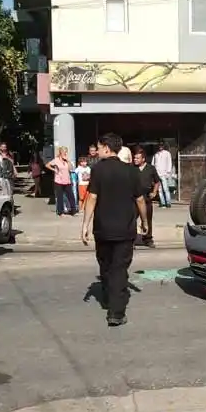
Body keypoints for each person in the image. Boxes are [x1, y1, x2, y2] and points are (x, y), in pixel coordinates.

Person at [81, 133, 149, 326]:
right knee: (119, 269)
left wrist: (85, 224)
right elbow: (140, 199)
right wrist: (144, 222)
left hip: (102, 228)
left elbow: (92, 197)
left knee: (106, 265)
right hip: (125, 229)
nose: (97, 150)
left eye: (99, 146)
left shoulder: (98, 170)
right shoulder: (131, 171)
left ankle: (109, 299)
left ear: (107, 148)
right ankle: (116, 313)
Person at [133, 148, 161, 248]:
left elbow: (157, 181)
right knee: (132, 219)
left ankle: (148, 239)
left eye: (137, 158)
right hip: (135, 198)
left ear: (143, 159)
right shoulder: (132, 168)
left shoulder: (151, 168)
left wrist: (154, 192)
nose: (135, 159)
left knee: (147, 219)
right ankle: (132, 240)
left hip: (146, 197)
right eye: (134, 158)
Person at [47, 146, 77, 216]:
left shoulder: (67, 160)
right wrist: (54, 170)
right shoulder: (56, 160)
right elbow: (47, 165)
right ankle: (60, 212)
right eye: (64, 152)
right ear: (61, 152)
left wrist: (68, 160)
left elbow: (71, 168)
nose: (65, 153)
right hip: (58, 181)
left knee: (71, 196)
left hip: (67, 181)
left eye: (66, 152)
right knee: (60, 197)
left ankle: (73, 211)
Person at [152, 142, 174, 208]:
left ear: (163, 146)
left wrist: (168, 172)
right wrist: (153, 173)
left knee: (165, 189)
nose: (160, 147)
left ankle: (168, 202)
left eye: (161, 146)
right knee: (160, 190)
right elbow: (153, 164)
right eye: (159, 146)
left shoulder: (167, 153)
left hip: (164, 173)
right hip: (157, 174)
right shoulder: (156, 154)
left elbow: (169, 162)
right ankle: (163, 203)